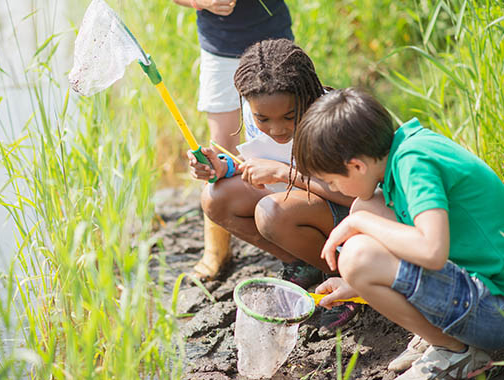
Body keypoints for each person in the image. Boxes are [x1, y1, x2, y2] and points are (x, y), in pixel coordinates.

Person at [293, 87, 504, 379]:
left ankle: (454, 352)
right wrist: (357, 285)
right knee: (367, 209)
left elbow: (432, 251)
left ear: (356, 165)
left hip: (496, 309)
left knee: (357, 254)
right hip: (481, 286)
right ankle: (443, 337)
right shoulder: (405, 152)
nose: (334, 190)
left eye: (332, 182)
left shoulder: (414, 163)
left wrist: (361, 226)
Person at [188, 39, 359, 332]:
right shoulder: (258, 107)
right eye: (263, 118)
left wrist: (284, 173)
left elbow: (357, 194)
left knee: (271, 211)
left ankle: (348, 281)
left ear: (305, 97)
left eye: (289, 118)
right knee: (216, 197)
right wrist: (224, 167)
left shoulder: (333, 119)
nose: (276, 128)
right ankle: (306, 264)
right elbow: (262, 156)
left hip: (354, 219)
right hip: (304, 202)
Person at [172, 0, 294, 281]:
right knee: (219, 149)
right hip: (220, 47)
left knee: (282, 140)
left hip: (273, 42)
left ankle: (295, 229)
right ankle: (216, 251)